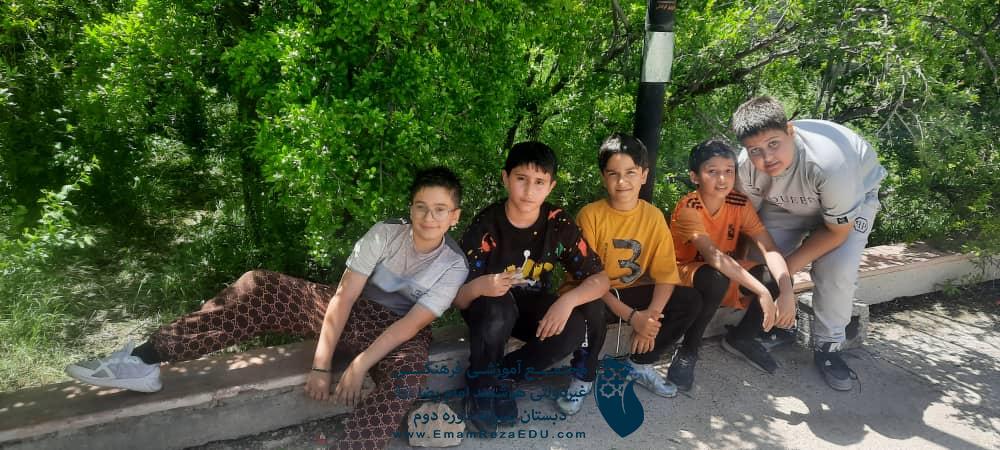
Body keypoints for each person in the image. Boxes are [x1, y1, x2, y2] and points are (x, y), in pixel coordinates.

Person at [66, 167, 469, 450]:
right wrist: (321, 365)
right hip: (355, 312)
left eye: (439, 210)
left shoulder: (454, 265)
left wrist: (360, 365)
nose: (428, 217)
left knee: (407, 378)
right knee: (260, 286)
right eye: (421, 206)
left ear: (454, 217)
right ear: (410, 207)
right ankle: (145, 358)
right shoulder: (384, 234)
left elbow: (409, 326)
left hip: (400, 334)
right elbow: (343, 298)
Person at [731, 96, 886, 391]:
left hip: (850, 201)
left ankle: (828, 346)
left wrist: (784, 282)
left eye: (774, 144)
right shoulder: (746, 167)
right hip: (782, 199)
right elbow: (747, 225)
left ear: (790, 131)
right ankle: (768, 326)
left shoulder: (831, 164)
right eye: (756, 150)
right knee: (758, 260)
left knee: (837, 270)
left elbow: (836, 233)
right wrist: (747, 272)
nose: (767, 157)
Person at [453, 141, 609, 432]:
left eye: (539, 182)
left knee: (575, 325)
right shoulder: (486, 225)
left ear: (551, 186)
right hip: (489, 309)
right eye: (521, 179)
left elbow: (600, 278)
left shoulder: (557, 222)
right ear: (505, 178)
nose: (529, 190)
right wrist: (482, 285)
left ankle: (505, 377)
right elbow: (459, 299)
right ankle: (481, 384)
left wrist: (567, 301)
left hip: (530, 307)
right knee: (497, 308)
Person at [563, 133, 707, 407]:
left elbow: (666, 276)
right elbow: (587, 281)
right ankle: (583, 376)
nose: (622, 181)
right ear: (603, 177)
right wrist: (632, 317)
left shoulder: (653, 217)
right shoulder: (590, 215)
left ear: (644, 175)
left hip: (631, 291)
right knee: (591, 308)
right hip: (595, 294)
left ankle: (640, 363)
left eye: (630, 172)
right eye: (613, 174)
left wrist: (648, 320)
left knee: (690, 300)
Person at [669, 139, 795, 390]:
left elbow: (769, 249)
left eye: (728, 171)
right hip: (684, 273)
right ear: (694, 177)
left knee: (776, 277)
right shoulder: (689, 207)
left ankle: (742, 338)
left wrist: (787, 289)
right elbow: (713, 256)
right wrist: (761, 292)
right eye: (712, 171)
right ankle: (688, 349)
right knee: (716, 278)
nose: (722, 179)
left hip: (725, 271)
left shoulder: (739, 203)